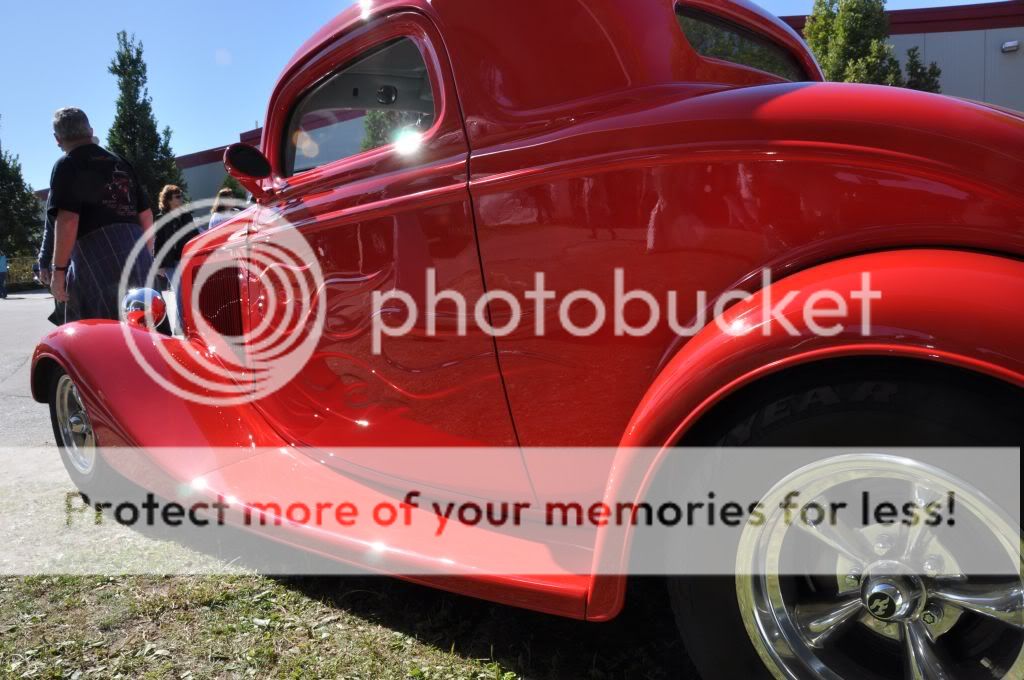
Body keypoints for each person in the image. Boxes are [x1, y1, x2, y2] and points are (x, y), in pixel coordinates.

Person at [47, 108, 155, 322]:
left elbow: (68, 220)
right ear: (91, 130)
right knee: (146, 327)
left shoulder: (66, 164)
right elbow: (146, 215)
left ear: (57, 139)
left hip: (95, 257)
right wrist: (146, 254)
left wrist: (58, 271)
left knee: (102, 335)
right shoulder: (120, 162)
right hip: (137, 250)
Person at [154, 184, 199, 330]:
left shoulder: (186, 215)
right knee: (180, 293)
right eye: (177, 196)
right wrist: (159, 265)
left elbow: (195, 235)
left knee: (191, 292)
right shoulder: (161, 218)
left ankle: (193, 326)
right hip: (171, 263)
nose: (181, 198)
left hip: (187, 259)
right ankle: (185, 329)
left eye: (181, 195)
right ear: (168, 200)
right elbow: (159, 242)